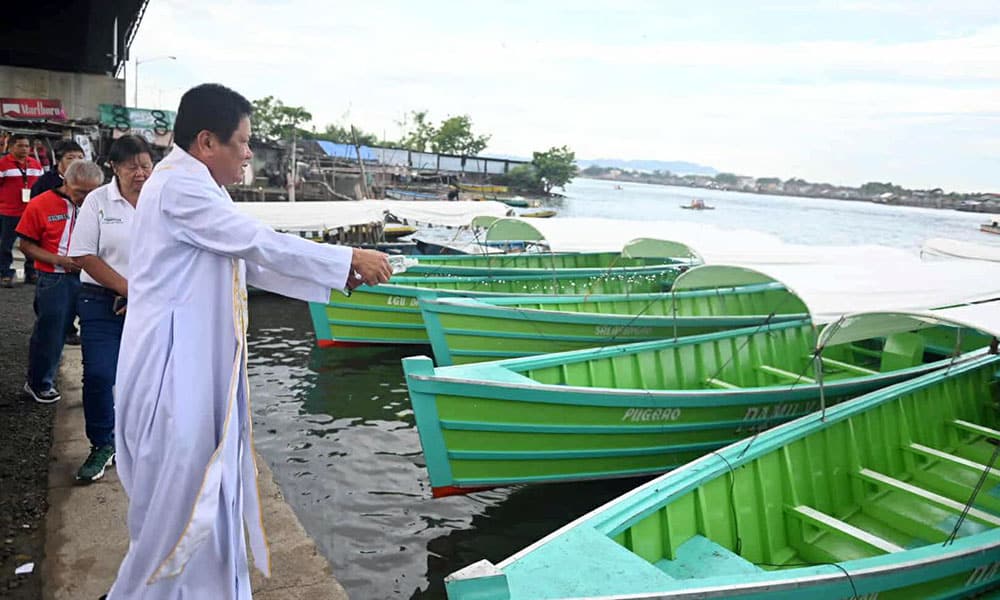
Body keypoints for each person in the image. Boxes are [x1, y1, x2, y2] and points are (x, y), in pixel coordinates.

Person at [108, 83, 392, 599]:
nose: (248, 155)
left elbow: (248, 256)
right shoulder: (177, 187)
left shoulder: (200, 187)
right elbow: (258, 241)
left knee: (206, 494)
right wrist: (345, 260)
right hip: (175, 374)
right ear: (206, 141)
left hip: (197, 366)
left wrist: (336, 277)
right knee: (183, 503)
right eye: (242, 142)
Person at [66, 136, 151, 482]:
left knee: (150, 378)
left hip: (150, 304)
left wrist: (144, 298)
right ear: (114, 168)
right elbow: (82, 254)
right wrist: (127, 289)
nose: (141, 173)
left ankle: (145, 442)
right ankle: (103, 443)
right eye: (132, 166)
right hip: (101, 301)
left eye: (146, 165)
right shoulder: (98, 202)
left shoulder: (161, 202)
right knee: (101, 373)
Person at [17, 160, 103, 403]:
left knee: (97, 332)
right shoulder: (41, 204)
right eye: (80, 192)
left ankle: (97, 387)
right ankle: (39, 383)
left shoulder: (101, 205)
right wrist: (59, 260)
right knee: (51, 333)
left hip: (93, 278)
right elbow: (25, 245)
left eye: (92, 192)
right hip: (55, 278)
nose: (86, 198)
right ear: (65, 181)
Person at [0, 134, 44, 287]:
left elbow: (41, 188)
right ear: (10, 147)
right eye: (20, 146)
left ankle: (31, 272)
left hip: (30, 211)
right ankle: (5, 273)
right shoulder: (3, 164)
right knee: (5, 244)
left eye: (27, 146)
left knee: (32, 244)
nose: (24, 149)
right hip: (8, 211)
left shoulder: (35, 165)